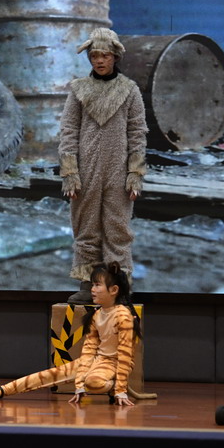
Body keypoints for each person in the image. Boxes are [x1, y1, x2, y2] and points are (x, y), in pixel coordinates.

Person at [59, 28, 148, 303]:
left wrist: (135, 173)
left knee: (117, 228)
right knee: (86, 227)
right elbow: (68, 131)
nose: (99, 60)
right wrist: (70, 173)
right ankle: (89, 284)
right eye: (94, 55)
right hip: (86, 171)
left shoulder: (129, 90)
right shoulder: (79, 89)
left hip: (117, 171)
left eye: (105, 55)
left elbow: (137, 132)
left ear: (115, 57)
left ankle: (117, 286)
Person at [0, 262, 141, 406]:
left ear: (113, 290)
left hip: (114, 363)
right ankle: (4, 389)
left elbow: (125, 355)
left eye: (97, 285)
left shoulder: (123, 316)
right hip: (97, 359)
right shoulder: (97, 314)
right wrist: (79, 385)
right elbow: (89, 350)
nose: (92, 289)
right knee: (52, 374)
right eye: (93, 285)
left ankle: (112, 386)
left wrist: (120, 389)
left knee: (93, 382)